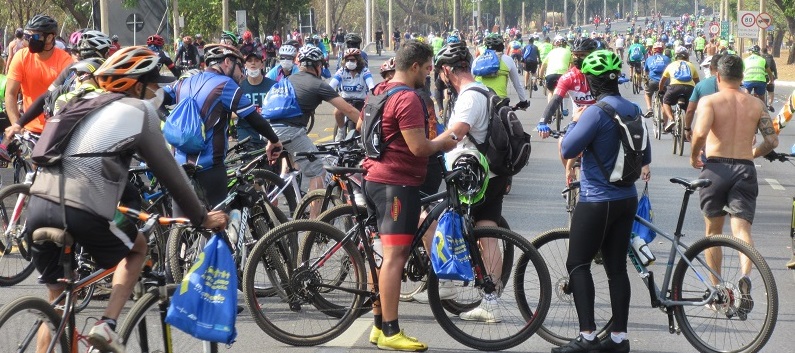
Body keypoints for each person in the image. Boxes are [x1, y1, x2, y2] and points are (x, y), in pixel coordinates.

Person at [27, 45, 229, 352]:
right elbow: (171, 174)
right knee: (137, 249)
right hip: (80, 209)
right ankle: (107, 325)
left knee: (58, 301)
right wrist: (201, 217)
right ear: (136, 85)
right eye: (152, 84)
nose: (156, 92)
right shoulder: (139, 111)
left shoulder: (83, 102)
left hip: (37, 206)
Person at [362, 40, 457, 351]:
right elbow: (419, 147)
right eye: (428, 67)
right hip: (397, 186)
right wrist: (445, 141)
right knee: (394, 258)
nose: (430, 73)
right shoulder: (408, 99)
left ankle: (378, 327)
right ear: (415, 66)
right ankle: (391, 331)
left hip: (376, 179)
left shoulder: (380, 91)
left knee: (382, 255)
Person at [556, 49, 651, 353]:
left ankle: (587, 337)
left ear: (591, 82)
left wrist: (575, 124)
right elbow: (645, 156)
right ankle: (619, 339)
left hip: (597, 199)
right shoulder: (634, 110)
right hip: (627, 199)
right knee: (616, 268)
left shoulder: (596, 112)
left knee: (578, 263)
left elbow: (569, 148)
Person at [421, 41, 510, 322]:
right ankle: (491, 300)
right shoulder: (485, 90)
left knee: (434, 219)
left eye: (440, 72)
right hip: (492, 173)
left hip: (472, 177)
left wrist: (427, 147)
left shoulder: (469, 96)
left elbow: (457, 133)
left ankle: (445, 282)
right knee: (487, 233)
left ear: (447, 70)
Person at [689, 55, 778, 309]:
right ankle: (745, 276)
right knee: (742, 231)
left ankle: (716, 290)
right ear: (742, 77)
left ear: (717, 76)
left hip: (715, 169)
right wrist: (751, 154)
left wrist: (695, 156)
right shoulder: (756, 103)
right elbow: (772, 142)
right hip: (744, 169)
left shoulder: (710, 101)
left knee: (713, 233)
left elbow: (700, 133)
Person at [163, 43, 283, 213]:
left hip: (178, 166)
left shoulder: (184, 82)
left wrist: (168, 120)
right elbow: (254, 118)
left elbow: (158, 98)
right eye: (240, 66)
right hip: (209, 168)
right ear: (227, 62)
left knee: (181, 226)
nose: (241, 73)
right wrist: (274, 140)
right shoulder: (225, 84)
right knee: (219, 226)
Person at [274, 45, 360, 207]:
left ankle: (279, 191)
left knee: (291, 167)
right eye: (321, 64)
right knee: (318, 171)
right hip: (290, 131)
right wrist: (369, 127)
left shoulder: (288, 80)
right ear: (316, 66)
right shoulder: (317, 84)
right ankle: (314, 226)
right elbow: (348, 110)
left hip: (269, 129)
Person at [4, 15, 73, 136]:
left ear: (50, 38)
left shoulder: (65, 61)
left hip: (57, 130)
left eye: (35, 36)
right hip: (28, 130)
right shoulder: (21, 57)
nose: (30, 40)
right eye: (28, 36)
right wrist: (17, 126)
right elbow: (10, 93)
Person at [329, 48, 375, 141]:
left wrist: (373, 90)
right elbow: (332, 84)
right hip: (345, 100)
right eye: (347, 60)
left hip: (361, 101)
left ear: (358, 61)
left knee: (364, 123)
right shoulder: (342, 71)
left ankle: (365, 137)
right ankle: (341, 131)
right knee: (337, 112)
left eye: (352, 60)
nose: (349, 62)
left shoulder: (364, 71)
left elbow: (370, 83)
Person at [475, 34, 529, 108]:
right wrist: (523, 101)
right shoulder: (508, 60)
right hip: (499, 101)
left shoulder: (477, 60)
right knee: (508, 118)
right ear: (501, 46)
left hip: (478, 98)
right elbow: (517, 83)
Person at [238, 50, 277, 152]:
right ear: (245, 65)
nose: (253, 63)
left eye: (256, 60)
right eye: (249, 61)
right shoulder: (239, 87)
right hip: (246, 134)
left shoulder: (273, 86)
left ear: (262, 65)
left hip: (269, 133)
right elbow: (232, 112)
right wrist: (249, 112)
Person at [658, 46, 699, 132]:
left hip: (674, 87)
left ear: (676, 57)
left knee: (665, 102)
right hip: (689, 88)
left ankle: (671, 119)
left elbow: (662, 80)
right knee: (689, 109)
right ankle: (687, 128)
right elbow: (697, 82)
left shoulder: (671, 65)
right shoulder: (691, 65)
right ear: (687, 57)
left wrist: (661, 90)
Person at [684, 54, 721, 141]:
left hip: (706, 130)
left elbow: (690, 110)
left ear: (710, 68)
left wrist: (688, 128)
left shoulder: (700, 85)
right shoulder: (734, 88)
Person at [539, 36, 571, 102]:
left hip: (550, 75)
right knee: (565, 92)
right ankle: (565, 110)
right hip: (563, 75)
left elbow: (543, 66)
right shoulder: (568, 52)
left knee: (550, 92)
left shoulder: (551, 52)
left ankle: (550, 110)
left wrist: (540, 78)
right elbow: (572, 67)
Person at [642, 42, 671, 117]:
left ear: (653, 50)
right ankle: (665, 125)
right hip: (664, 82)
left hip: (653, 81)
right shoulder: (667, 59)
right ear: (662, 50)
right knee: (664, 102)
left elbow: (646, 71)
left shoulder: (649, 59)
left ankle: (649, 108)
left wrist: (646, 78)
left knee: (647, 93)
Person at [761, 47, 777, 112]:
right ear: (767, 51)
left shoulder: (760, 58)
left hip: (762, 77)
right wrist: (775, 76)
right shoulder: (771, 57)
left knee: (761, 91)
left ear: (761, 52)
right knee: (771, 92)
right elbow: (774, 67)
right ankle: (770, 104)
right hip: (770, 77)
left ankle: (763, 104)